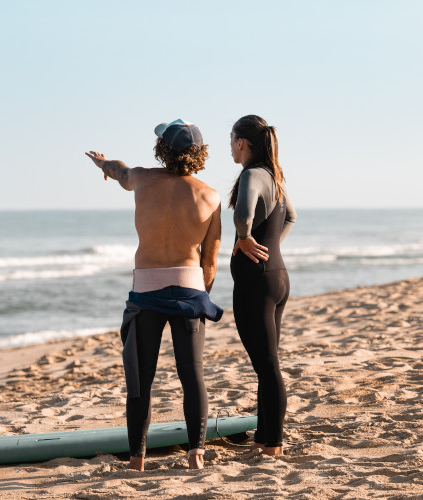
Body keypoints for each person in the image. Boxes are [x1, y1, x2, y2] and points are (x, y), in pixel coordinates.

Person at [85, 119, 222, 471]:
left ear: (163, 150)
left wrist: (102, 164)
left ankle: (137, 460)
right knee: (192, 375)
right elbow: (210, 260)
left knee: (140, 378)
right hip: (191, 288)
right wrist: (198, 296)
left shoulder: (142, 178)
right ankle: (196, 453)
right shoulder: (211, 196)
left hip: (146, 291)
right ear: (199, 153)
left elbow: (119, 170)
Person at [228, 115, 296, 457]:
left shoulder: (253, 175)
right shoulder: (276, 177)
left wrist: (244, 238)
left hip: (257, 283)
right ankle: (263, 439)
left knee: (267, 365)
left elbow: (242, 214)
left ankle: (274, 446)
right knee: (265, 362)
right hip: (277, 277)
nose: (230, 146)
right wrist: (271, 248)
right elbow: (293, 217)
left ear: (242, 142)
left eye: (231, 140)